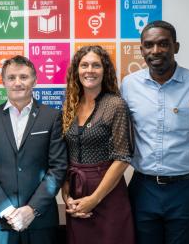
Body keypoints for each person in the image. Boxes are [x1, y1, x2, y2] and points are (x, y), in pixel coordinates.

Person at [121, 20, 189, 244]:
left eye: (163, 44)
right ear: (141, 50)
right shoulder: (129, 85)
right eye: (149, 45)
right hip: (143, 188)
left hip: (185, 191)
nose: (156, 50)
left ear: (175, 47)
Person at [0, 55, 67, 244]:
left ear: (35, 80)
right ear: (3, 82)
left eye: (24, 77)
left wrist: (32, 209)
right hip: (0, 220)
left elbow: (58, 167)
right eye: (11, 77)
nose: (18, 83)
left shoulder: (52, 116)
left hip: (40, 218)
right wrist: (7, 210)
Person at [61, 45, 135, 244]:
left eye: (96, 65)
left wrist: (94, 199)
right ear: (77, 70)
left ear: (105, 71)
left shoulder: (115, 105)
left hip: (107, 193)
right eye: (84, 65)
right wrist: (66, 194)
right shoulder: (70, 104)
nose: (89, 70)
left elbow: (122, 158)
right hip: (76, 193)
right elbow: (66, 154)